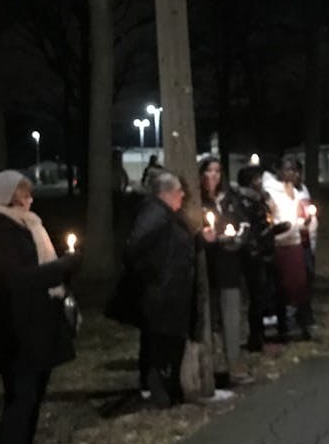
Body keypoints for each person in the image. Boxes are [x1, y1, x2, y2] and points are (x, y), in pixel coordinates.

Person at [0, 170, 80, 444]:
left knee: (33, 395)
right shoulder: (3, 231)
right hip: (17, 330)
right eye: (23, 195)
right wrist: (61, 267)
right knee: (21, 397)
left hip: (36, 324)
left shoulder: (27, 225)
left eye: (29, 194)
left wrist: (63, 270)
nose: (29, 200)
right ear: (8, 198)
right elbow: (19, 279)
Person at [107, 172, 203, 407]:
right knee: (160, 345)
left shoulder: (167, 214)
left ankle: (169, 391)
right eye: (179, 190)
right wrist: (155, 275)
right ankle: (159, 391)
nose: (183, 194)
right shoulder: (154, 214)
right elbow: (134, 249)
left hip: (172, 291)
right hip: (162, 293)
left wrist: (200, 240)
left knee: (170, 343)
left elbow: (177, 244)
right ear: (166, 193)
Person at [199, 158, 252, 384]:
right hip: (207, 264)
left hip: (229, 263)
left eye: (217, 171)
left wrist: (236, 238)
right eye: (209, 171)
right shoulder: (197, 201)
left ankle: (234, 362)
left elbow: (244, 224)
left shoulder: (230, 199)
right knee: (209, 318)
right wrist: (205, 237)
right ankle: (211, 365)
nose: (213, 175)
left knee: (231, 314)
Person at [264, 159, 317, 341]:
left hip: (296, 242)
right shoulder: (271, 192)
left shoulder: (295, 191)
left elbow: (295, 217)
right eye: (288, 169)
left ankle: (299, 322)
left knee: (299, 284)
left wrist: (304, 223)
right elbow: (274, 220)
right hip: (281, 244)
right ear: (278, 171)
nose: (292, 173)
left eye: (295, 170)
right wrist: (286, 227)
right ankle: (286, 324)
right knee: (284, 285)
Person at [234, 165, 281, 354]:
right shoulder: (244, 202)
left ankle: (261, 335)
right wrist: (257, 246)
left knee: (263, 295)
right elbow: (249, 229)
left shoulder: (259, 199)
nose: (260, 182)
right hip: (253, 255)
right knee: (256, 296)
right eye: (256, 179)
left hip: (263, 250)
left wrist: (273, 230)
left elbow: (265, 222)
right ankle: (256, 338)